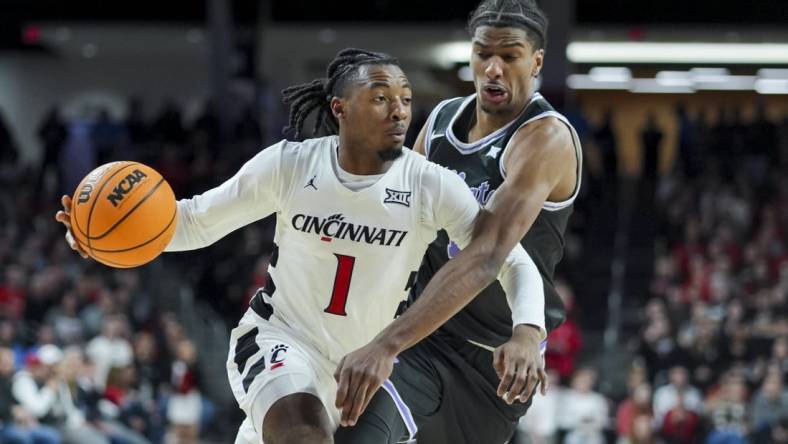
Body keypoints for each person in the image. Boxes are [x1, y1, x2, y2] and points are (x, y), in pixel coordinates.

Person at [56, 48, 544, 444]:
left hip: (364, 367)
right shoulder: (290, 165)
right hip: (280, 339)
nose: (399, 109)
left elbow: (505, 256)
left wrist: (526, 330)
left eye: (405, 97)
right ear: (341, 108)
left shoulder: (430, 184)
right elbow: (194, 223)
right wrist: (106, 240)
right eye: (380, 97)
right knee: (303, 434)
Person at [333, 1, 582, 443]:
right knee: (358, 434)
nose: (492, 69)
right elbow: (399, 222)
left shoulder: (546, 137)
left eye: (510, 56)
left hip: (496, 361)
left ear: (537, 61)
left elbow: (487, 255)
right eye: (483, 53)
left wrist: (528, 329)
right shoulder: (443, 119)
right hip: (421, 338)